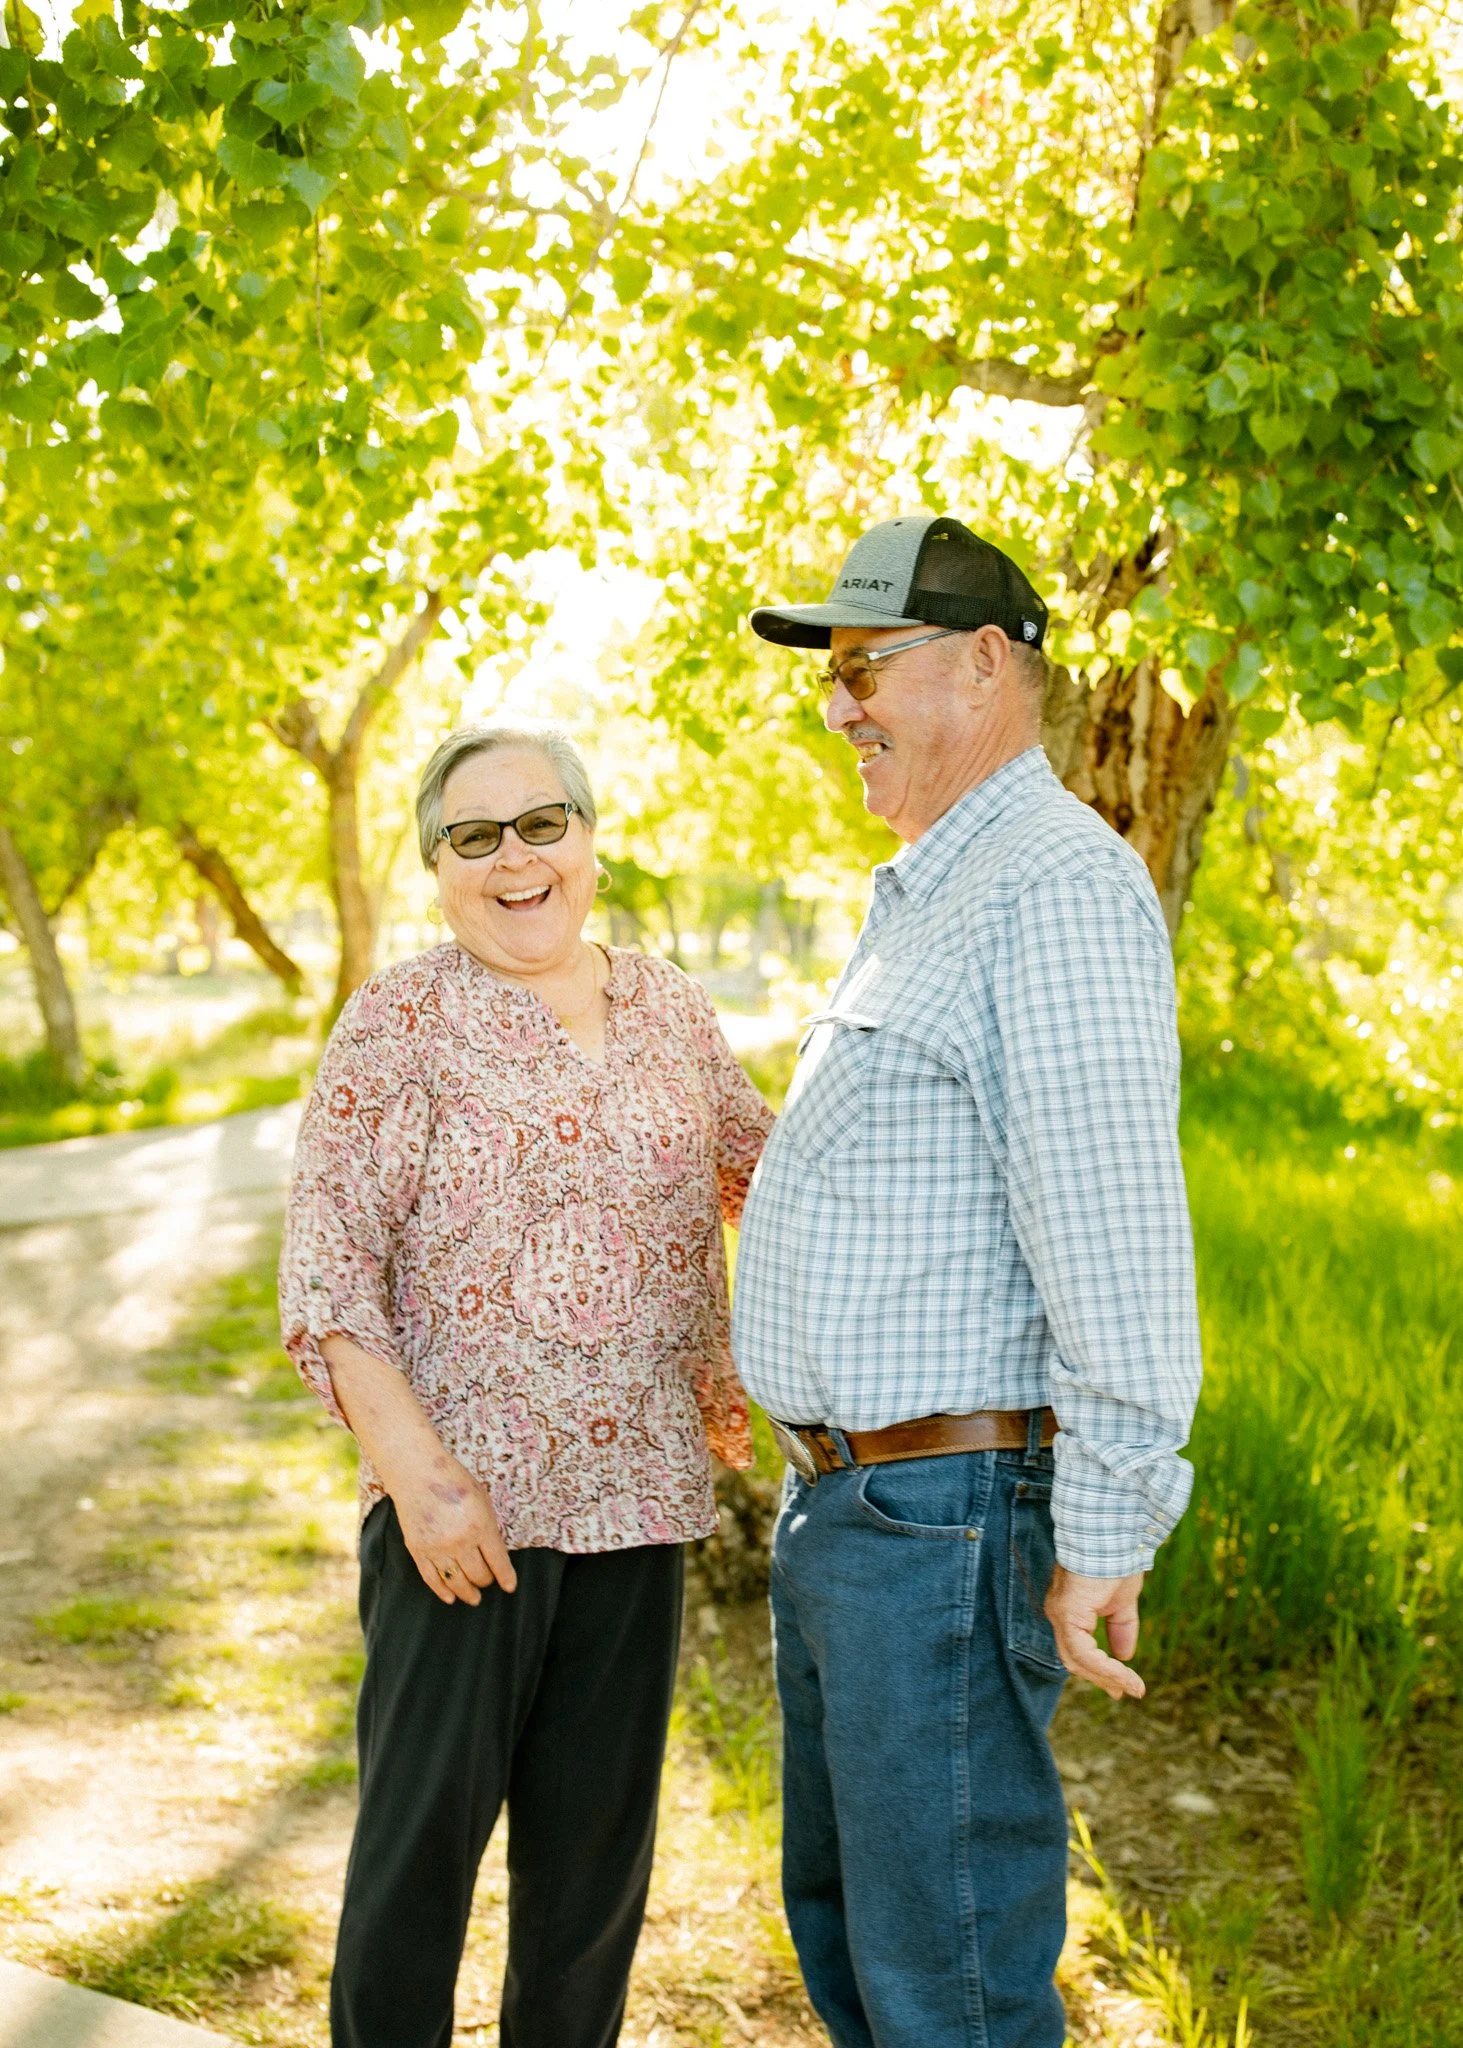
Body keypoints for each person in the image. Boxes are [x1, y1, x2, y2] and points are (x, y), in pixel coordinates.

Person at [731, 515, 1204, 2048]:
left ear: (986, 664)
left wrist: (1109, 1525)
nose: (837, 707)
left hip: (938, 1523)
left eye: (864, 669)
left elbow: (1112, 1232)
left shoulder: (1050, 886)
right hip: (854, 1514)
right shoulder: (930, 894)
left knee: (950, 1989)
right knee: (857, 1950)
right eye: (829, 678)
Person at [278, 723, 774, 2048]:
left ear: (590, 841)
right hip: (463, 1523)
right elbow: (328, 1274)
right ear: (438, 868)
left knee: (590, 1890)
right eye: (474, 836)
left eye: (542, 824)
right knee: (414, 1876)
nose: (515, 859)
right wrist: (420, 1482)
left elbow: (767, 1177)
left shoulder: (671, 1008)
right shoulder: (399, 1022)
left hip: (640, 1503)